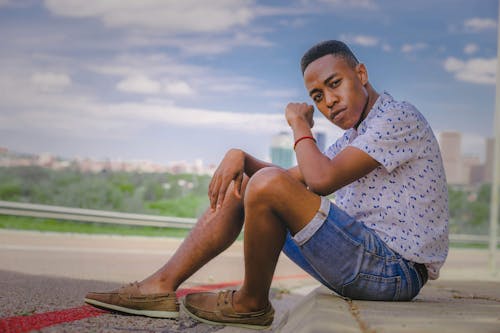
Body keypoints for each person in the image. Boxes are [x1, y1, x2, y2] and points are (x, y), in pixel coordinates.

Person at [84, 40, 449, 330]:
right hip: (364, 259)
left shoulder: (397, 116)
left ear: (362, 73)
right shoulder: (358, 135)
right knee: (247, 182)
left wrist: (299, 124)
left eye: (334, 84)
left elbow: (319, 181)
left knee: (265, 183)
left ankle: (250, 304)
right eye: (317, 97)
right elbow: (288, 181)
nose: (329, 101)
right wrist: (240, 157)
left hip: (394, 272)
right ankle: (159, 287)